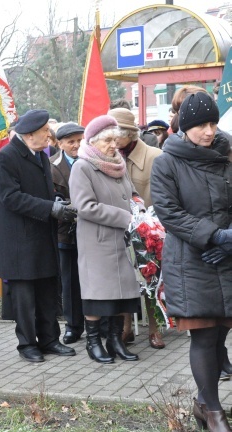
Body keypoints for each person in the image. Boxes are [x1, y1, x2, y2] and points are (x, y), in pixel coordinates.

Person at [151, 92, 232, 431]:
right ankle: (212, 410)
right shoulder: (167, 162)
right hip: (191, 259)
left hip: (227, 257)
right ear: (185, 127)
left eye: (213, 123)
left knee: (220, 335)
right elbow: (169, 212)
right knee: (203, 334)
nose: (209, 131)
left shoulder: (227, 157)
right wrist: (213, 236)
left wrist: (230, 241)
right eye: (201, 125)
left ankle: (204, 404)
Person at [0, 109, 76, 363]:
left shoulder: (40, 154)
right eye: (44, 132)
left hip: (42, 235)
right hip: (20, 240)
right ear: (29, 136)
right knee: (25, 296)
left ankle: (49, 339)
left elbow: (41, 189)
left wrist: (56, 201)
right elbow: (10, 197)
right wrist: (49, 208)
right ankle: (27, 344)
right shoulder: (6, 157)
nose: (49, 136)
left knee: (47, 291)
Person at [68, 115, 142, 365]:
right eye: (108, 140)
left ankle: (115, 340)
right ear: (94, 141)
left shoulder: (117, 162)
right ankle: (93, 343)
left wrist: (138, 204)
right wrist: (124, 216)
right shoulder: (83, 166)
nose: (114, 144)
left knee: (121, 294)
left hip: (122, 239)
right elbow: (85, 206)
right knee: (97, 295)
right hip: (97, 241)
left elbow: (130, 192)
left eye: (115, 139)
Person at [108, 107, 164, 349]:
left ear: (130, 133)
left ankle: (155, 329)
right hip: (119, 227)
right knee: (123, 279)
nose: (111, 138)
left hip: (149, 230)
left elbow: (164, 196)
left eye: (116, 132)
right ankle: (126, 328)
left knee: (151, 278)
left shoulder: (155, 156)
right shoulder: (109, 156)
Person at [49, 123, 85, 345]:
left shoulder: (92, 160)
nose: (77, 145)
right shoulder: (52, 166)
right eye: (71, 142)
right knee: (70, 281)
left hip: (93, 231)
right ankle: (73, 325)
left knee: (92, 280)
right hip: (66, 232)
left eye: (80, 140)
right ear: (59, 144)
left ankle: (96, 323)